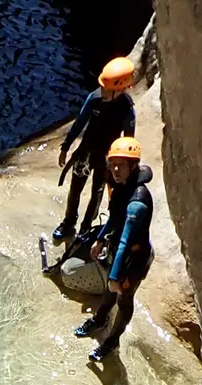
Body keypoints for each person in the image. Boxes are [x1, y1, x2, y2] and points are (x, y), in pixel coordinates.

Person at [78, 136, 155, 362]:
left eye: (121, 164)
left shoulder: (138, 200)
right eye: (113, 164)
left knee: (123, 298)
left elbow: (126, 239)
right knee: (109, 291)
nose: (115, 169)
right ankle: (101, 318)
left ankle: (112, 341)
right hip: (121, 252)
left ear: (133, 166)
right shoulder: (122, 188)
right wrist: (100, 240)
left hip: (135, 258)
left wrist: (114, 275)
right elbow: (114, 218)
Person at [54, 57, 138, 242]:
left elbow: (129, 139)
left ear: (120, 88)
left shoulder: (126, 108)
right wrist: (66, 146)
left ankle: (85, 228)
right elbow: (80, 123)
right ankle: (69, 222)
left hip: (106, 157)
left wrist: (123, 166)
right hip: (86, 151)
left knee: (97, 192)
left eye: (108, 88)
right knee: (75, 189)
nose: (104, 90)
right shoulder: (94, 98)